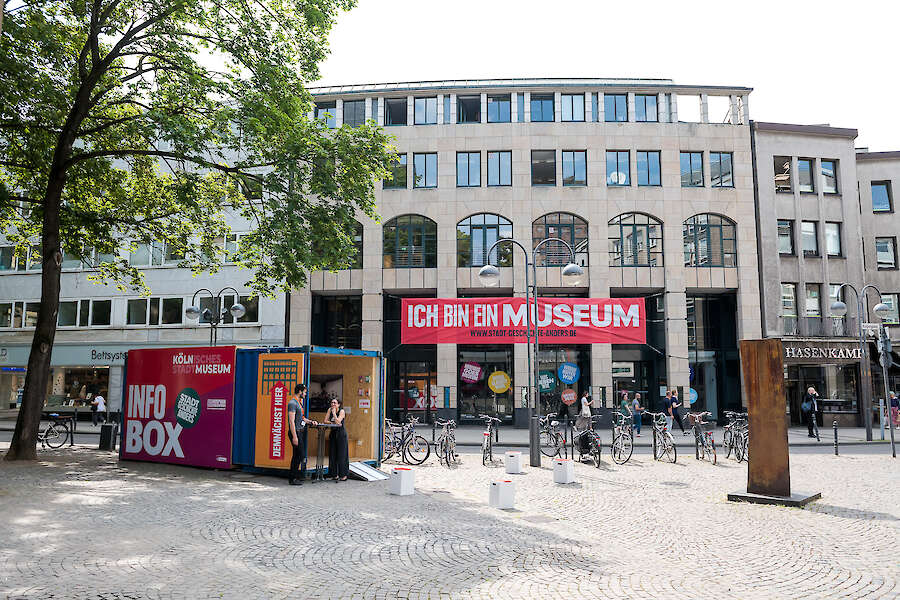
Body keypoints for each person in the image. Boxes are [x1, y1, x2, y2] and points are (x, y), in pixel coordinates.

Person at [287, 384, 316, 486]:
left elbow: (302, 418)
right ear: (300, 391)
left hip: (300, 431)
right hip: (295, 432)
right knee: (300, 455)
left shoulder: (298, 403)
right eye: (305, 392)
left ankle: (294, 477)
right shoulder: (292, 403)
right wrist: (295, 436)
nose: (305, 394)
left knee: (297, 455)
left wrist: (311, 422)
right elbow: (291, 421)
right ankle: (293, 478)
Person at [325, 397, 350, 482]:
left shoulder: (341, 411)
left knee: (342, 455)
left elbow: (338, 422)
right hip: (333, 433)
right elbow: (325, 420)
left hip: (341, 434)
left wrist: (334, 414)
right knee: (333, 454)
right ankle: (334, 474)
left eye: (335, 403)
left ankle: (343, 475)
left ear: (338, 404)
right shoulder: (329, 410)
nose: (333, 404)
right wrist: (332, 422)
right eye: (332, 402)